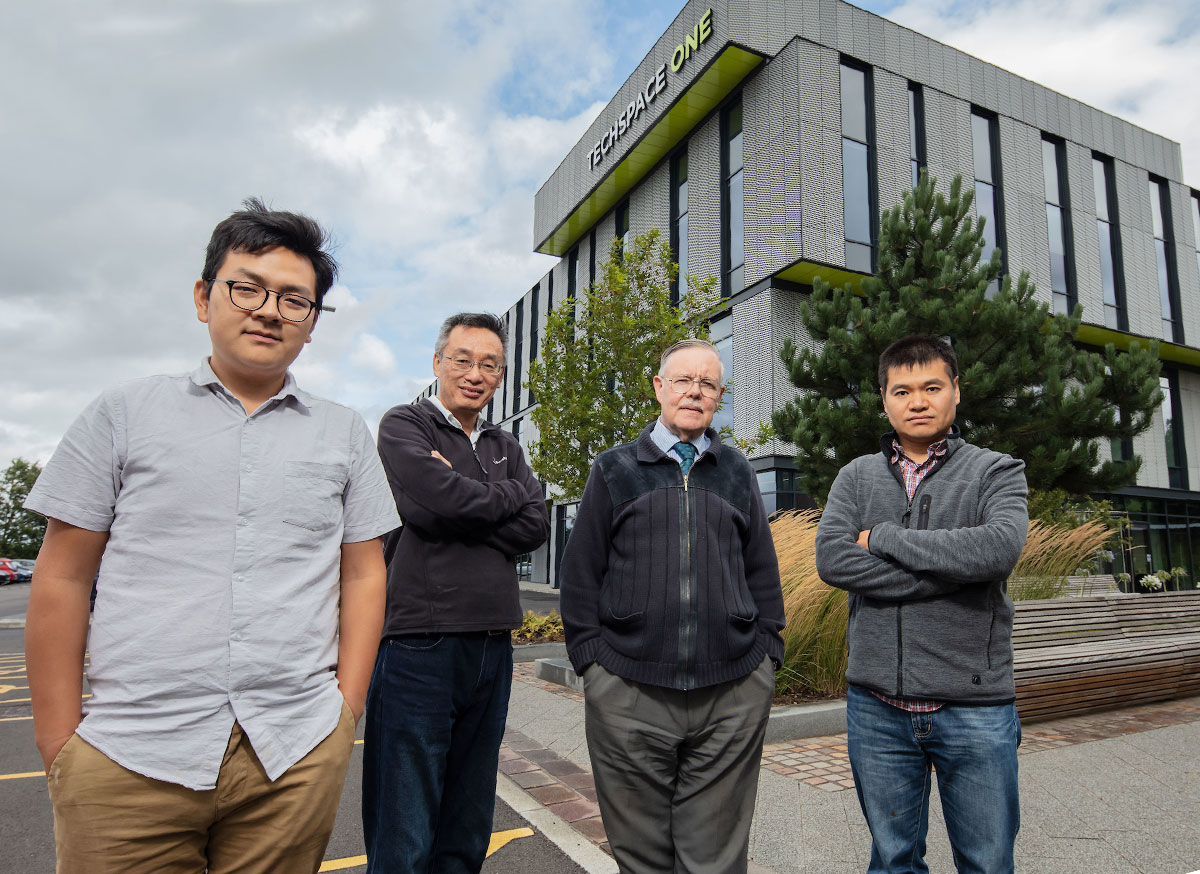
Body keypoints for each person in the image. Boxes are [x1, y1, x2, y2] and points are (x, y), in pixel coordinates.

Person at [23, 198, 401, 874]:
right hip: (128, 755)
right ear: (204, 297)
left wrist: (345, 711)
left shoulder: (344, 433)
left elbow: (365, 572)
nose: (269, 310)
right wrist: (60, 743)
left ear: (312, 324)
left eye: (295, 300)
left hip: (293, 752)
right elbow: (63, 574)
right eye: (247, 287)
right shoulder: (122, 414)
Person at [560, 339, 785, 874]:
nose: (694, 391)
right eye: (683, 380)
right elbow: (581, 574)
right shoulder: (613, 469)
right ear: (659, 387)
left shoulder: (737, 471)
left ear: (719, 397)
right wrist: (593, 665)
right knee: (641, 859)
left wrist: (767, 654)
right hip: (628, 691)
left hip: (730, 693)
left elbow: (762, 570)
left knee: (715, 860)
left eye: (707, 384)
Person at [814, 335, 1029, 874]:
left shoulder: (996, 471)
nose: (918, 401)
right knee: (892, 862)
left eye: (932, 386)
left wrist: (882, 536)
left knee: (986, 863)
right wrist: (950, 573)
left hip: (974, 707)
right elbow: (834, 563)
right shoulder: (856, 477)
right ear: (883, 399)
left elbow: (994, 550)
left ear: (956, 391)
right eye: (902, 390)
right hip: (877, 706)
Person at [363, 312, 550, 874]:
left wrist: (471, 498)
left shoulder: (505, 443)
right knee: (405, 820)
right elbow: (431, 503)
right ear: (439, 362)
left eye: (489, 364)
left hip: (492, 644)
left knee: (468, 821)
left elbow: (534, 525)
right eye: (463, 360)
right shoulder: (404, 426)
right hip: (421, 642)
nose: (476, 373)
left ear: (500, 375)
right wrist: (506, 496)